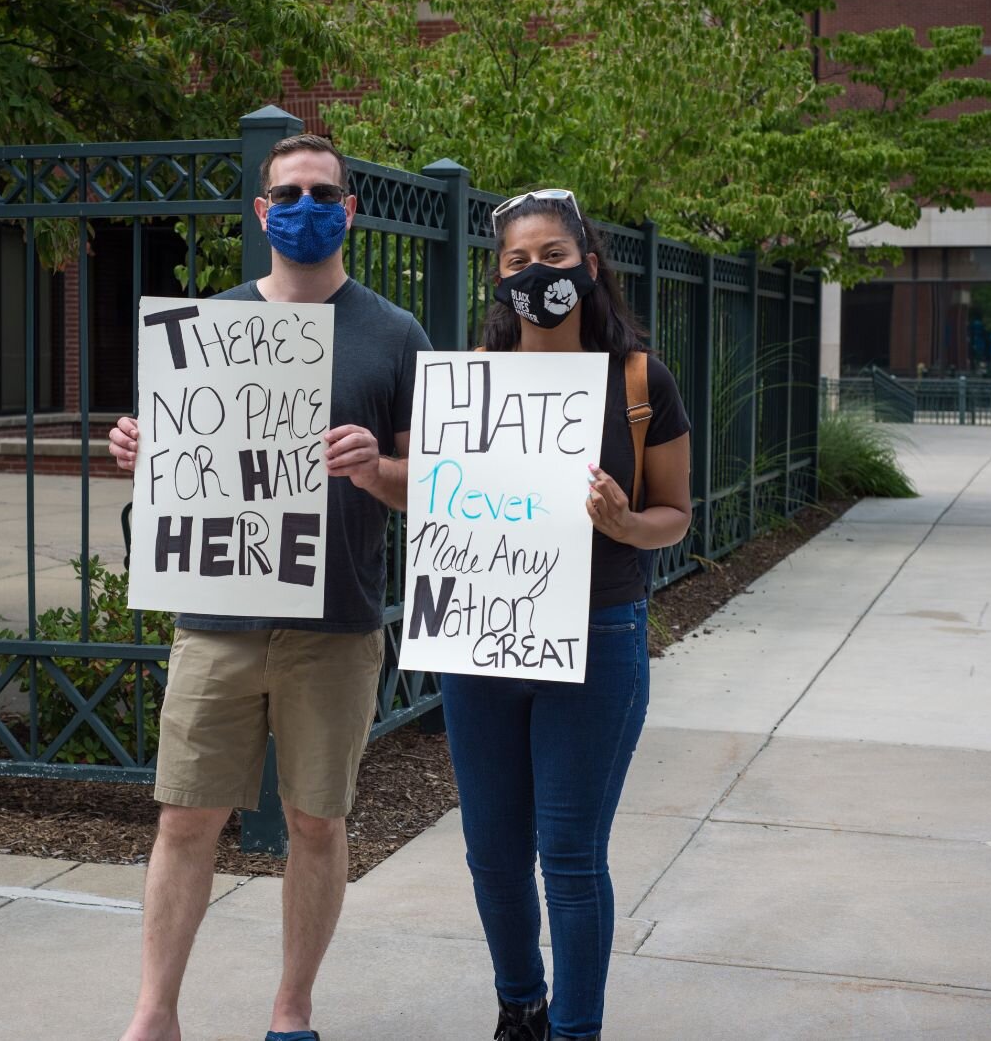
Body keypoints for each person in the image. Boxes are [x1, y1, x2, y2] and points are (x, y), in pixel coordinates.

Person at [108, 133, 431, 1041]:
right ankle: (154, 1013)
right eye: (286, 193)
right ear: (261, 211)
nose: (304, 207)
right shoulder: (207, 328)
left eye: (321, 193)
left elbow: (434, 481)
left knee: (316, 822)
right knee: (184, 817)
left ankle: (292, 1010)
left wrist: (377, 470)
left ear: (349, 211)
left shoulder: (395, 333)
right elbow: (177, 462)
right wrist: (134, 450)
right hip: (216, 617)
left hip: (335, 622)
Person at [438, 189, 692, 1041]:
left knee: (572, 861)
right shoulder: (470, 380)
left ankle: (576, 1030)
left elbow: (676, 513)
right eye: (518, 261)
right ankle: (522, 1006)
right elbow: (438, 496)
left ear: (588, 263)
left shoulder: (639, 380)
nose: (537, 274)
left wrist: (626, 523)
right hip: (482, 638)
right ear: (497, 277)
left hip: (596, 639)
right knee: (494, 858)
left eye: (553, 256)